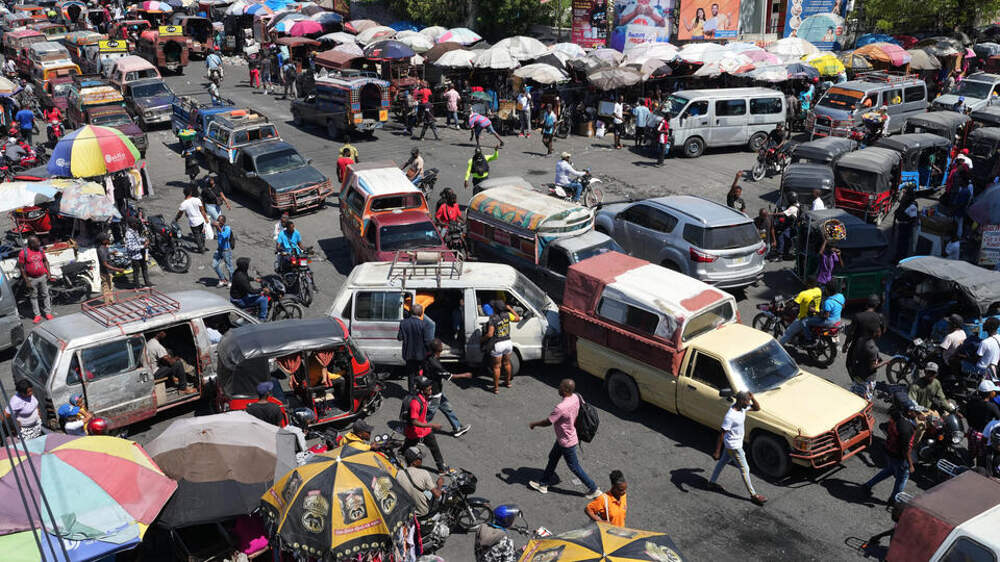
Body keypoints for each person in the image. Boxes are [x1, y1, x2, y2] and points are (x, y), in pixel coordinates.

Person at [528, 379, 601, 499]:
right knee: (553, 457)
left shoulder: (561, 408)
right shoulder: (577, 397)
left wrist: (534, 424)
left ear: (566, 390)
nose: (558, 388)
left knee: (574, 466)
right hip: (567, 436)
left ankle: (593, 489)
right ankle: (543, 484)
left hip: (566, 441)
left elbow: (548, 422)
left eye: (561, 387)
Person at [707, 390, 766, 505]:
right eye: (747, 401)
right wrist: (717, 451)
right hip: (734, 446)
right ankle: (754, 495)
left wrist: (752, 397)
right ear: (741, 401)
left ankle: (711, 483)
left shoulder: (742, 408)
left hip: (732, 444)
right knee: (745, 469)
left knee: (722, 462)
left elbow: (757, 408)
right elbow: (722, 433)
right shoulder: (730, 416)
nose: (748, 403)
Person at [861, 397, 922, 505]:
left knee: (890, 470)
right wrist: (910, 464)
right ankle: (894, 500)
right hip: (899, 456)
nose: (918, 414)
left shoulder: (898, 418)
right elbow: (905, 449)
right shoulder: (906, 428)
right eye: (916, 412)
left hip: (890, 451)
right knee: (902, 478)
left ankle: (868, 484)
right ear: (909, 412)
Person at [423, 338, 472, 437]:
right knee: (429, 414)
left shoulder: (429, 357)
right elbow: (449, 376)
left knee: (447, 408)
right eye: (441, 345)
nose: (442, 346)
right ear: (438, 349)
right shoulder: (435, 364)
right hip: (434, 393)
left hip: (437, 391)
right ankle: (417, 430)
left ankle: (457, 428)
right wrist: (465, 375)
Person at [403, 377, 447, 473]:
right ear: (422, 391)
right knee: (405, 450)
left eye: (431, 389)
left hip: (424, 430)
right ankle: (400, 461)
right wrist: (431, 425)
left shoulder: (423, 398)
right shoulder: (415, 403)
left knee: (434, 447)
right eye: (429, 389)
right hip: (414, 433)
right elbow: (414, 422)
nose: (431, 391)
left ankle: (441, 468)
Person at [781, 279, 844, 346]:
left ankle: (809, 339)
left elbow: (825, 316)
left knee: (804, 321)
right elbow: (843, 306)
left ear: (828, 290)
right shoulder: (841, 296)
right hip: (838, 319)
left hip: (829, 321)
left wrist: (815, 311)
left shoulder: (828, 302)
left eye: (825, 288)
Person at [482, 300, 521, 394]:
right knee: (507, 364)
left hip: (497, 344)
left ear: (495, 308)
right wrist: (510, 309)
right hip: (508, 343)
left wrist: (482, 339)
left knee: (496, 367)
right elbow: (518, 318)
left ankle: (496, 388)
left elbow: (490, 334)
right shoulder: (508, 315)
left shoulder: (493, 318)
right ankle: (508, 383)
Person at [394, 446, 444, 518]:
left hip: (406, 511)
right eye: (419, 458)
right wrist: (439, 484)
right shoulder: (424, 473)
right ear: (414, 462)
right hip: (421, 512)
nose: (421, 460)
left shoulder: (399, 474)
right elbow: (437, 495)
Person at [17, 236, 53, 323]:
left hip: (42, 277)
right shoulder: (23, 253)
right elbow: (21, 268)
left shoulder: (40, 250)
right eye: (37, 242)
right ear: (32, 244)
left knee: (45, 295)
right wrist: (27, 281)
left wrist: (48, 272)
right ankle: (37, 315)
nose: (39, 243)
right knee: (33, 297)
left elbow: (45, 261)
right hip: (31, 279)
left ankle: (48, 313)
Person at [399, 303, 433, 393]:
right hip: (421, 354)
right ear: (421, 313)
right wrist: (430, 352)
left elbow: (400, 337)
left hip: (408, 353)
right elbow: (427, 341)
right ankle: (418, 391)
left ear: (411, 312)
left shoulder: (403, 323)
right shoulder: (424, 324)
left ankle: (411, 392)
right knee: (419, 373)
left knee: (410, 374)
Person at [175, 186, 208, 254]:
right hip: (201, 220)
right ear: (190, 193)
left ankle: (201, 249)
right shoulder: (197, 200)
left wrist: (176, 219)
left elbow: (180, 214)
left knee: (197, 236)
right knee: (201, 234)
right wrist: (206, 218)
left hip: (193, 223)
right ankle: (203, 246)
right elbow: (202, 210)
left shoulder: (183, 204)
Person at [95, 233, 124, 304]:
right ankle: (107, 302)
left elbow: (106, 254)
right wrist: (117, 269)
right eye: (107, 239)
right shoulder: (101, 249)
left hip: (108, 271)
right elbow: (105, 264)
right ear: (103, 241)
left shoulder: (104, 247)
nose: (109, 240)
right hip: (105, 272)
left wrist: (111, 253)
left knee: (110, 285)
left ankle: (111, 300)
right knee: (106, 287)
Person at [124, 217, 151, 288]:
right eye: (136, 223)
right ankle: (137, 286)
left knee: (144, 267)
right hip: (135, 256)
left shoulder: (135, 230)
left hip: (141, 253)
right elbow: (130, 247)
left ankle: (147, 282)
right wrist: (143, 246)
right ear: (132, 224)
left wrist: (144, 239)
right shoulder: (128, 234)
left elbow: (138, 239)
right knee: (136, 271)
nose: (137, 224)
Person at [213, 215, 235, 287]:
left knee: (229, 267)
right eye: (217, 220)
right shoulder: (217, 227)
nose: (218, 222)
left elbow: (224, 236)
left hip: (226, 251)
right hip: (219, 249)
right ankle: (222, 279)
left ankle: (231, 281)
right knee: (215, 265)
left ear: (223, 222)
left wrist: (218, 227)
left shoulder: (227, 228)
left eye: (219, 221)